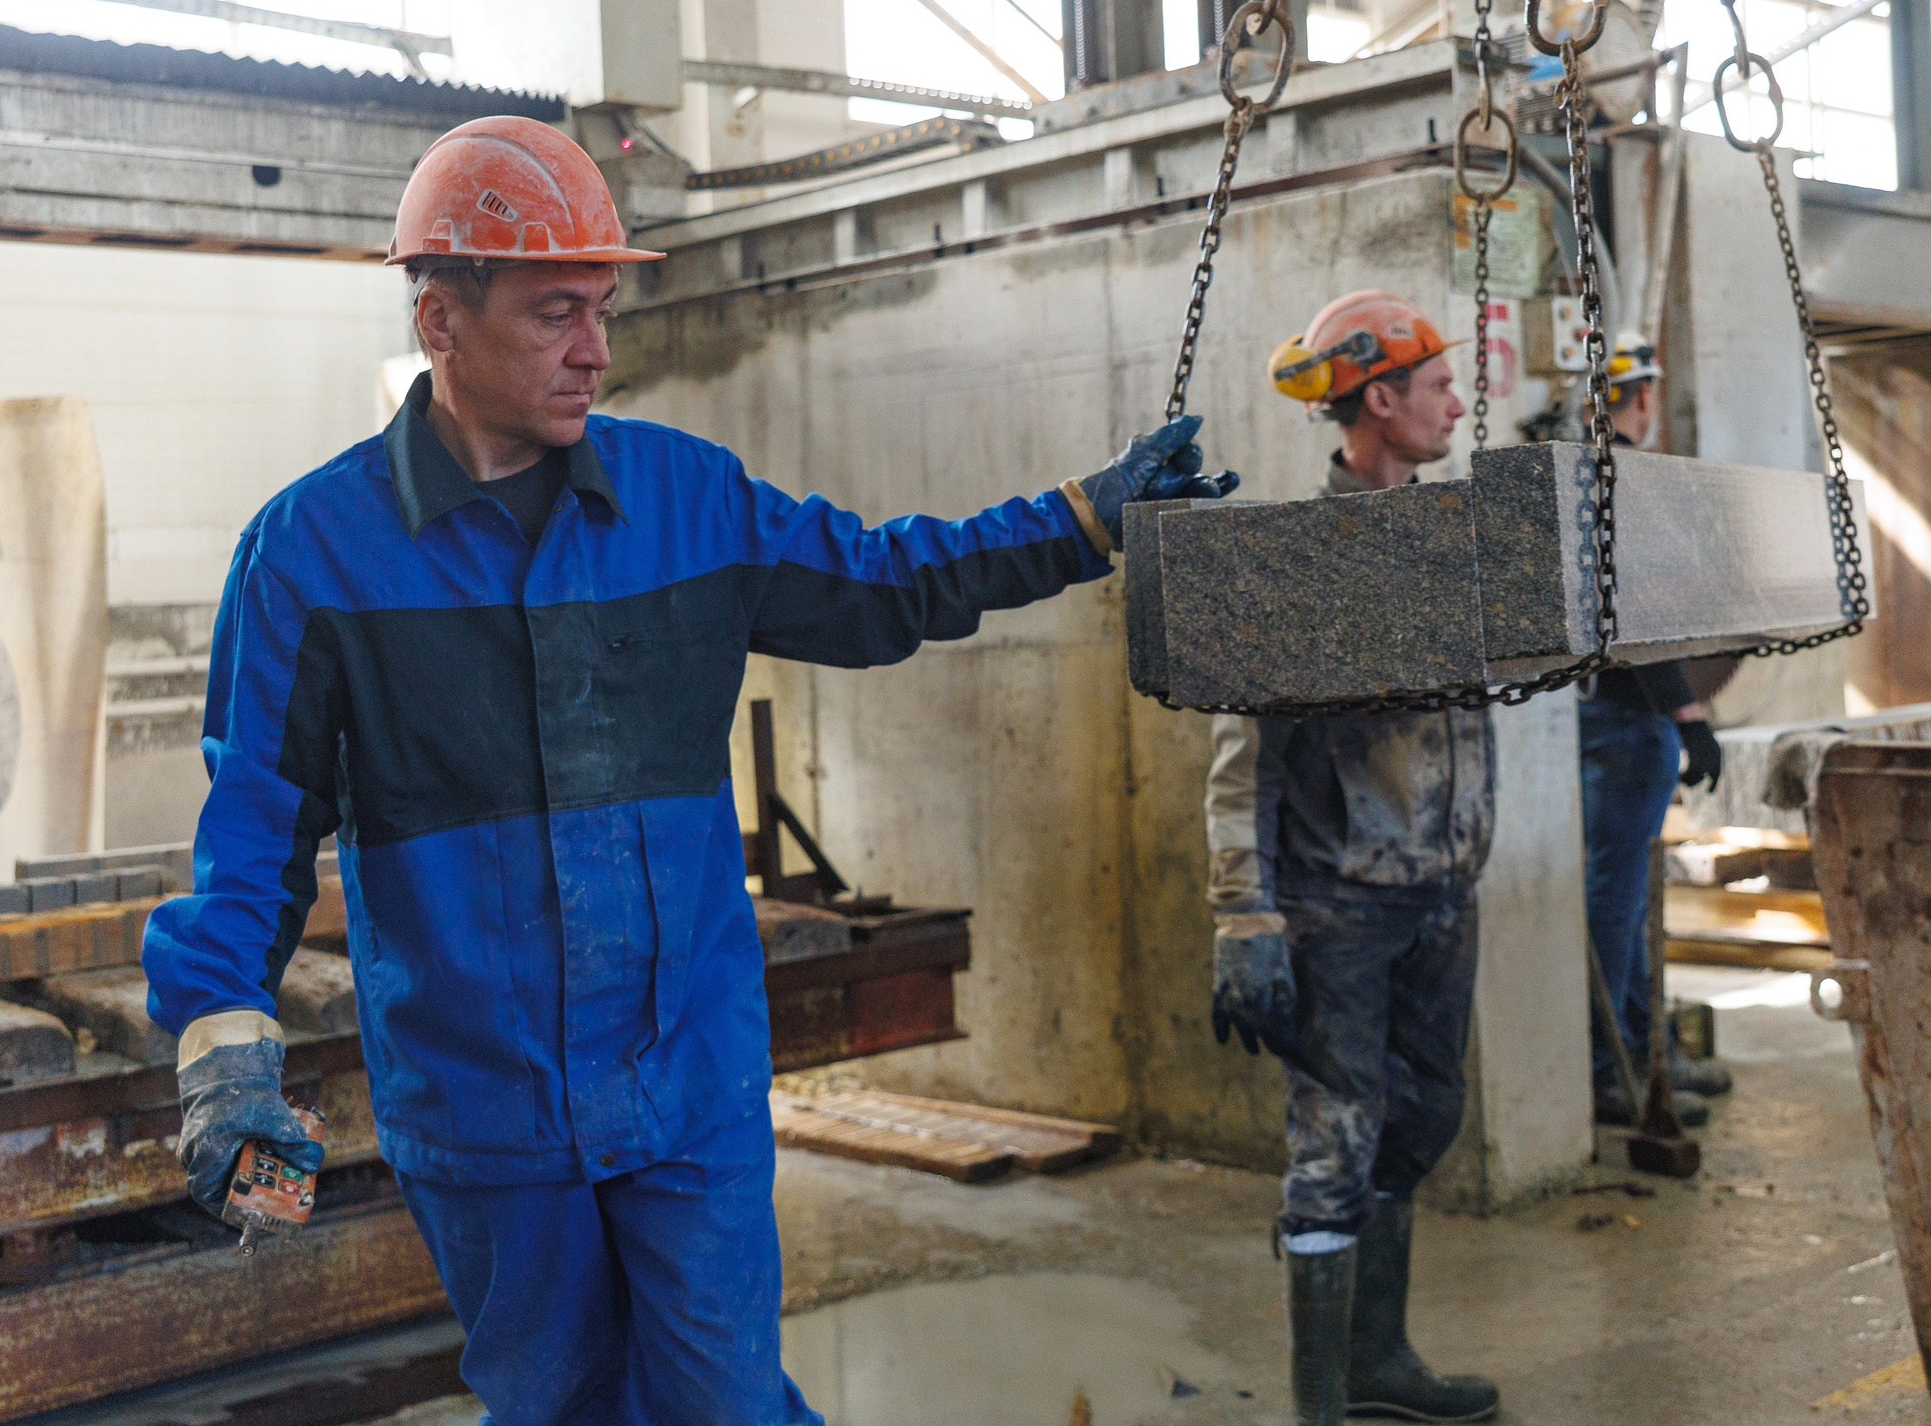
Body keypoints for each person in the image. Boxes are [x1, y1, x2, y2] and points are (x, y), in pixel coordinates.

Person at [138, 116, 1237, 1426]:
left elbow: (890, 580)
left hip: (683, 1083)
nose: (597, 349)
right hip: (485, 1108)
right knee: (560, 1407)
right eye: (556, 313)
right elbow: (252, 832)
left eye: (601, 309)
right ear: (440, 319)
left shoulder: (686, 501)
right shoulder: (311, 556)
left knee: (721, 1400)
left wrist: (1079, 516)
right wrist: (224, 1057)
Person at [1204, 291, 1502, 1426]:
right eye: (1439, 388)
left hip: (1442, 894)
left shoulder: (1457, 546)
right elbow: (1244, 758)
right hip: (1337, 908)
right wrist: (1244, 915)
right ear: (1378, 399)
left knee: (1423, 1119)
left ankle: (1378, 1363)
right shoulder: (1298, 564)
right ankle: (1323, 1406)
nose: (1458, 405)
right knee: (1334, 1142)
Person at [1580, 332, 1732, 1128]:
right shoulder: (1624, 477)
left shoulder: (1579, 475)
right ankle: (1616, 1066)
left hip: (1594, 715)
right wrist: (1689, 715)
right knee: (1617, 895)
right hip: (1629, 720)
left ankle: (1642, 1049)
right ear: (1641, 397)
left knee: (1624, 892)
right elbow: (1641, 618)